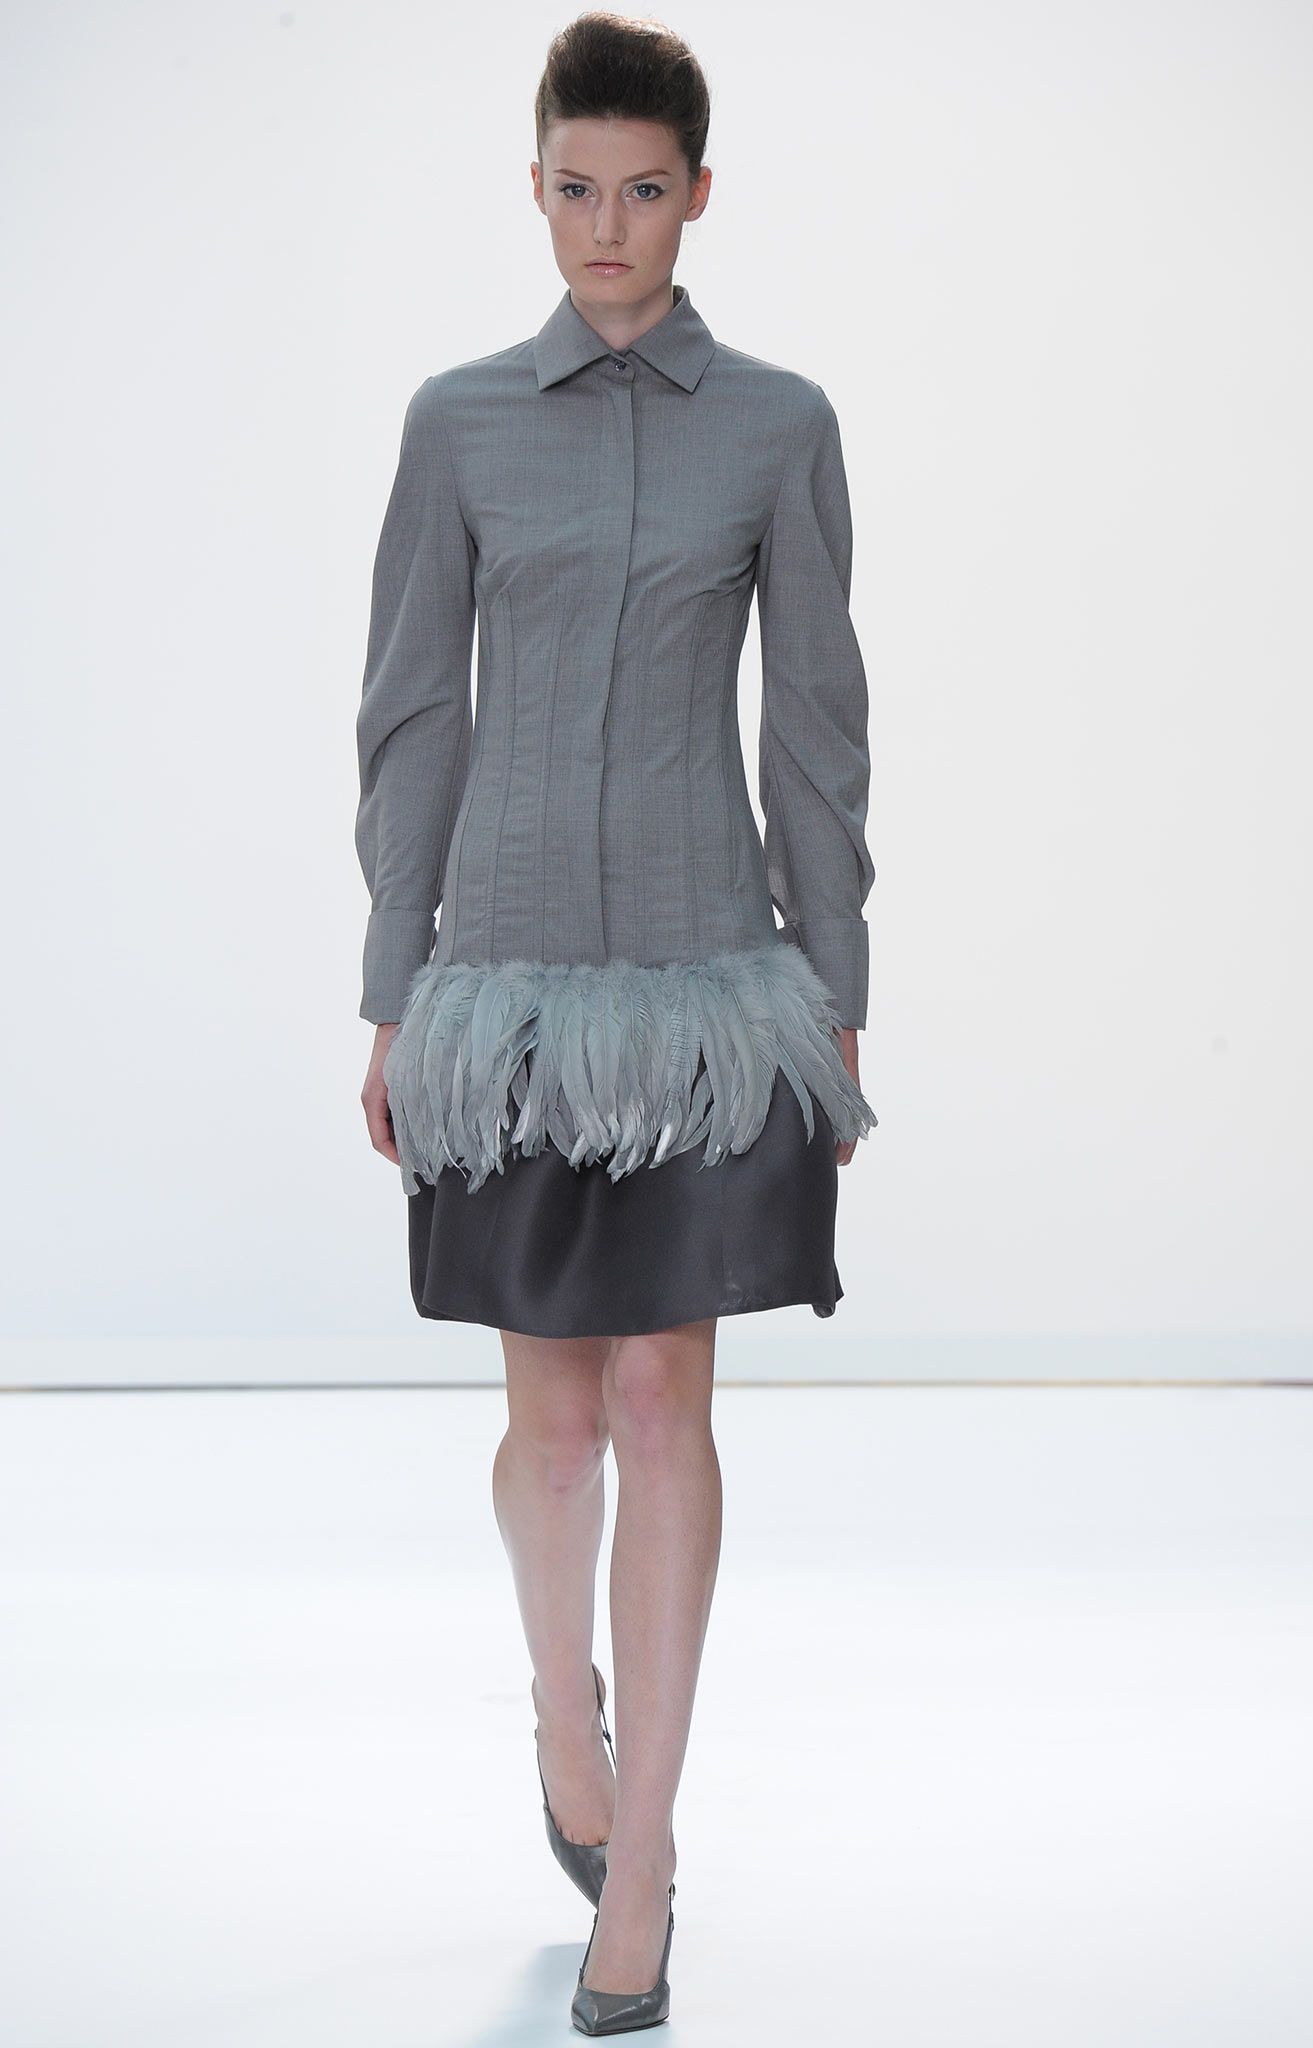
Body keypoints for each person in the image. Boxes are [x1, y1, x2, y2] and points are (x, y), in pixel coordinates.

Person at [354, 11, 876, 2034]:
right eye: (573, 187)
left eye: (642, 190)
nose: (605, 226)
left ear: (697, 194)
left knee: (666, 1406)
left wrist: (831, 993)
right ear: (535, 185)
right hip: (502, 994)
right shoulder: (457, 423)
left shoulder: (780, 425)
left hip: (702, 994)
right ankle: (557, 1708)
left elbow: (812, 722)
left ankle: (638, 1858)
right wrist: (395, 990)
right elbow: (415, 711)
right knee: (552, 1423)